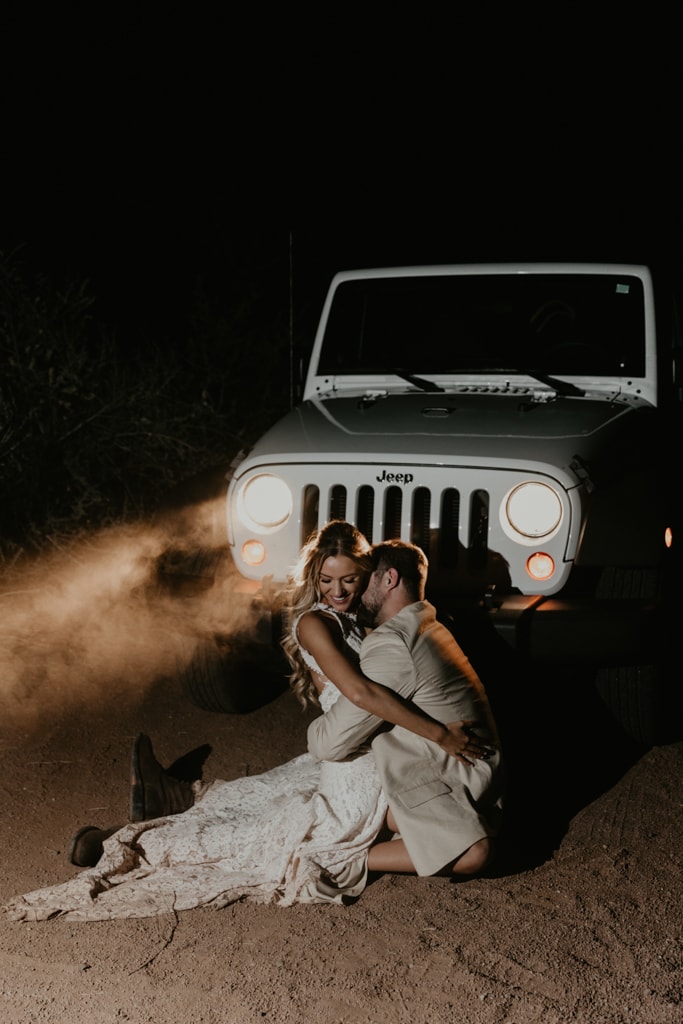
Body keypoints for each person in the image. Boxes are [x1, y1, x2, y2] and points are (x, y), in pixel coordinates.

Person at [4, 522, 490, 922]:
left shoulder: (363, 622)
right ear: (313, 578)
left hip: (369, 760)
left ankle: (162, 803)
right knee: (262, 836)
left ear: (365, 576)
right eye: (326, 580)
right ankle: (123, 842)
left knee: (265, 802)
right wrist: (440, 734)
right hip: (353, 761)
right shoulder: (314, 623)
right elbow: (363, 693)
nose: (337, 591)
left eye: (348, 580)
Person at [308, 539, 505, 879]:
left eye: (362, 580)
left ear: (389, 579)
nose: (351, 593)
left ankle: (348, 856)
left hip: (453, 772)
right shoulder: (427, 622)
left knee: (475, 854)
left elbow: (326, 744)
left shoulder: (393, 643)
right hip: (475, 771)